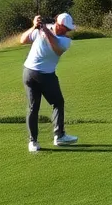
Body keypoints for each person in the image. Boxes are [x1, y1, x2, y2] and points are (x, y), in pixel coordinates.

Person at [19, 12, 79, 152]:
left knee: (56, 103)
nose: (67, 31)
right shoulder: (41, 29)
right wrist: (34, 27)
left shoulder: (65, 41)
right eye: (65, 28)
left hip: (36, 73)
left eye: (68, 29)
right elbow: (23, 40)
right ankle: (37, 141)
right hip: (36, 74)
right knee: (38, 107)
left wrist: (45, 30)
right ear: (58, 24)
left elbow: (56, 48)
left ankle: (58, 136)